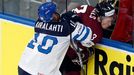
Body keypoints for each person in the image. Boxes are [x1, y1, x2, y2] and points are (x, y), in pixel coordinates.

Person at [18, 2, 96, 75]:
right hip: (40, 71)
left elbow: (54, 28)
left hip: (23, 65)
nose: (58, 12)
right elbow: (88, 36)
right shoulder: (66, 28)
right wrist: (75, 23)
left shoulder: (38, 23)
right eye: (56, 11)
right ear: (53, 16)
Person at [60, 1, 115, 75]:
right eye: (109, 20)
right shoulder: (96, 33)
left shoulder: (89, 8)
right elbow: (74, 50)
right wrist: (85, 54)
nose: (110, 24)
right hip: (63, 49)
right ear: (101, 17)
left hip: (58, 36)